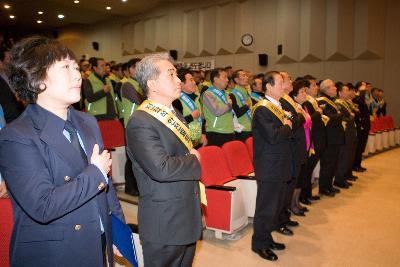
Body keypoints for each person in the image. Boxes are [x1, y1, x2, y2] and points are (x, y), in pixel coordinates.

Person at [0, 36, 125, 267]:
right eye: (66, 67)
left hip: (95, 243)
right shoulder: (16, 136)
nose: (77, 75)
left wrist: (115, 231)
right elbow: (43, 206)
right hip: (55, 253)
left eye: (76, 67)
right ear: (36, 80)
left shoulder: (87, 122)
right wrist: (95, 173)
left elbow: (106, 191)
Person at [125, 54, 202, 267]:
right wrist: (194, 159)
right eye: (171, 75)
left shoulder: (174, 113)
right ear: (152, 84)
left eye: (176, 74)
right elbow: (162, 168)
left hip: (186, 213)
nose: (178, 80)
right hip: (165, 223)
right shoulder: (140, 122)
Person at [251, 71, 292, 262]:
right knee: (266, 207)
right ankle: (259, 244)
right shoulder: (262, 109)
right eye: (280, 82)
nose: (283, 86)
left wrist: (287, 125)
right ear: (268, 86)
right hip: (269, 165)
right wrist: (288, 125)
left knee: (276, 205)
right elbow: (274, 136)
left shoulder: (279, 105)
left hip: (280, 162)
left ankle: (267, 238)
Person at [317, 79, 344, 196]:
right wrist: (339, 115)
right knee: (327, 164)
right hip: (329, 138)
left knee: (333, 163)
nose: (335, 89)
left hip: (335, 137)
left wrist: (338, 115)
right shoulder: (322, 101)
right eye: (333, 87)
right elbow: (328, 117)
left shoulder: (330, 100)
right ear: (327, 89)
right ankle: (324, 188)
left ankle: (329, 185)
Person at [202, 68, 235, 146]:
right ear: (216, 79)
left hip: (229, 130)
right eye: (225, 77)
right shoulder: (208, 94)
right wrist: (229, 105)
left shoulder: (226, 93)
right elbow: (217, 111)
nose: (227, 80)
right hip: (216, 132)